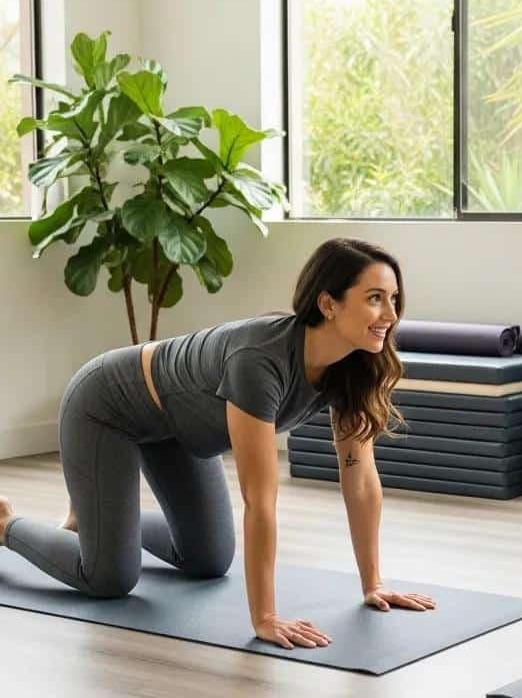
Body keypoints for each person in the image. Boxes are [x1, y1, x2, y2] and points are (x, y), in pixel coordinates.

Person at [0, 238, 436, 650]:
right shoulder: (260, 360)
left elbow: (359, 480)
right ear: (328, 304)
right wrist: (265, 617)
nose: (390, 314)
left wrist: (372, 583)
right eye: (375, 298)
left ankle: (96, 521)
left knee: (208, 558)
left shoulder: (351, 368)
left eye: (394, 299)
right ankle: (5, 524)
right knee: (108, 578)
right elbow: (259, 500)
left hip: (177, 428)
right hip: (107, 407)